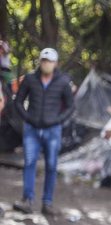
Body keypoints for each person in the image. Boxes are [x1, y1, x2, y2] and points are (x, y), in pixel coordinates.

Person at [12, 47, 74, 216]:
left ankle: (47, 203)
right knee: (30, 163)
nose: (46, 64)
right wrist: (28, 118)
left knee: (51, 166)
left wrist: (57, 120)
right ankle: (27, 200)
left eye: (50, 61)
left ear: (55, 63)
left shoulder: (62, 81)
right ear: (40, 62)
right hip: (32, 129)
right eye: (44, 61)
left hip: (52, 130)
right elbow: (18, 101)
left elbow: (70, 106)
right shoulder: (30, 79)